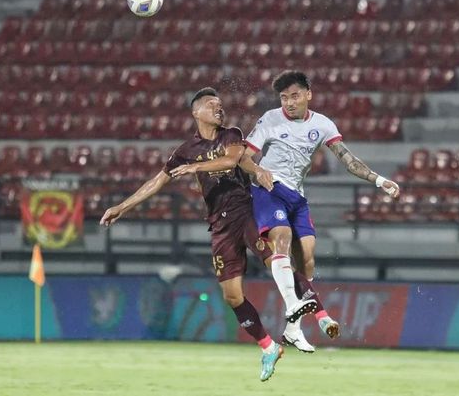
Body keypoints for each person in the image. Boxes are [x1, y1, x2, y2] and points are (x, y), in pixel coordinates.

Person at [100, 87, 317, 381]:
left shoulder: (232, 135)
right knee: (231, 296)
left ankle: (317, 312)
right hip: (219, 226)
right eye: (211, 105)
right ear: (196, 111)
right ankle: (268, 347)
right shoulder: (185, 151)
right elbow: (156, 182)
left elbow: (230, 161)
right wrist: (122, 206)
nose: (219, 108)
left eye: (220, 104)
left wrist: (195, 167)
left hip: (246, 212)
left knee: (276, 261)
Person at [241, 70, 401, 352]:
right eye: (284, 97)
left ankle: (293, 329)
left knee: (308, 259)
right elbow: (243, 156)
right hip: (269, 189)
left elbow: (348, 160)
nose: (289, 102)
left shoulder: (323, 124)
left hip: (297, 197)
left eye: (295, 96)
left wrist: (379, 180)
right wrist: (258, 170)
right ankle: (294, 304)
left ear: (308, 94)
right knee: (281, 239)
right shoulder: (270, 119)